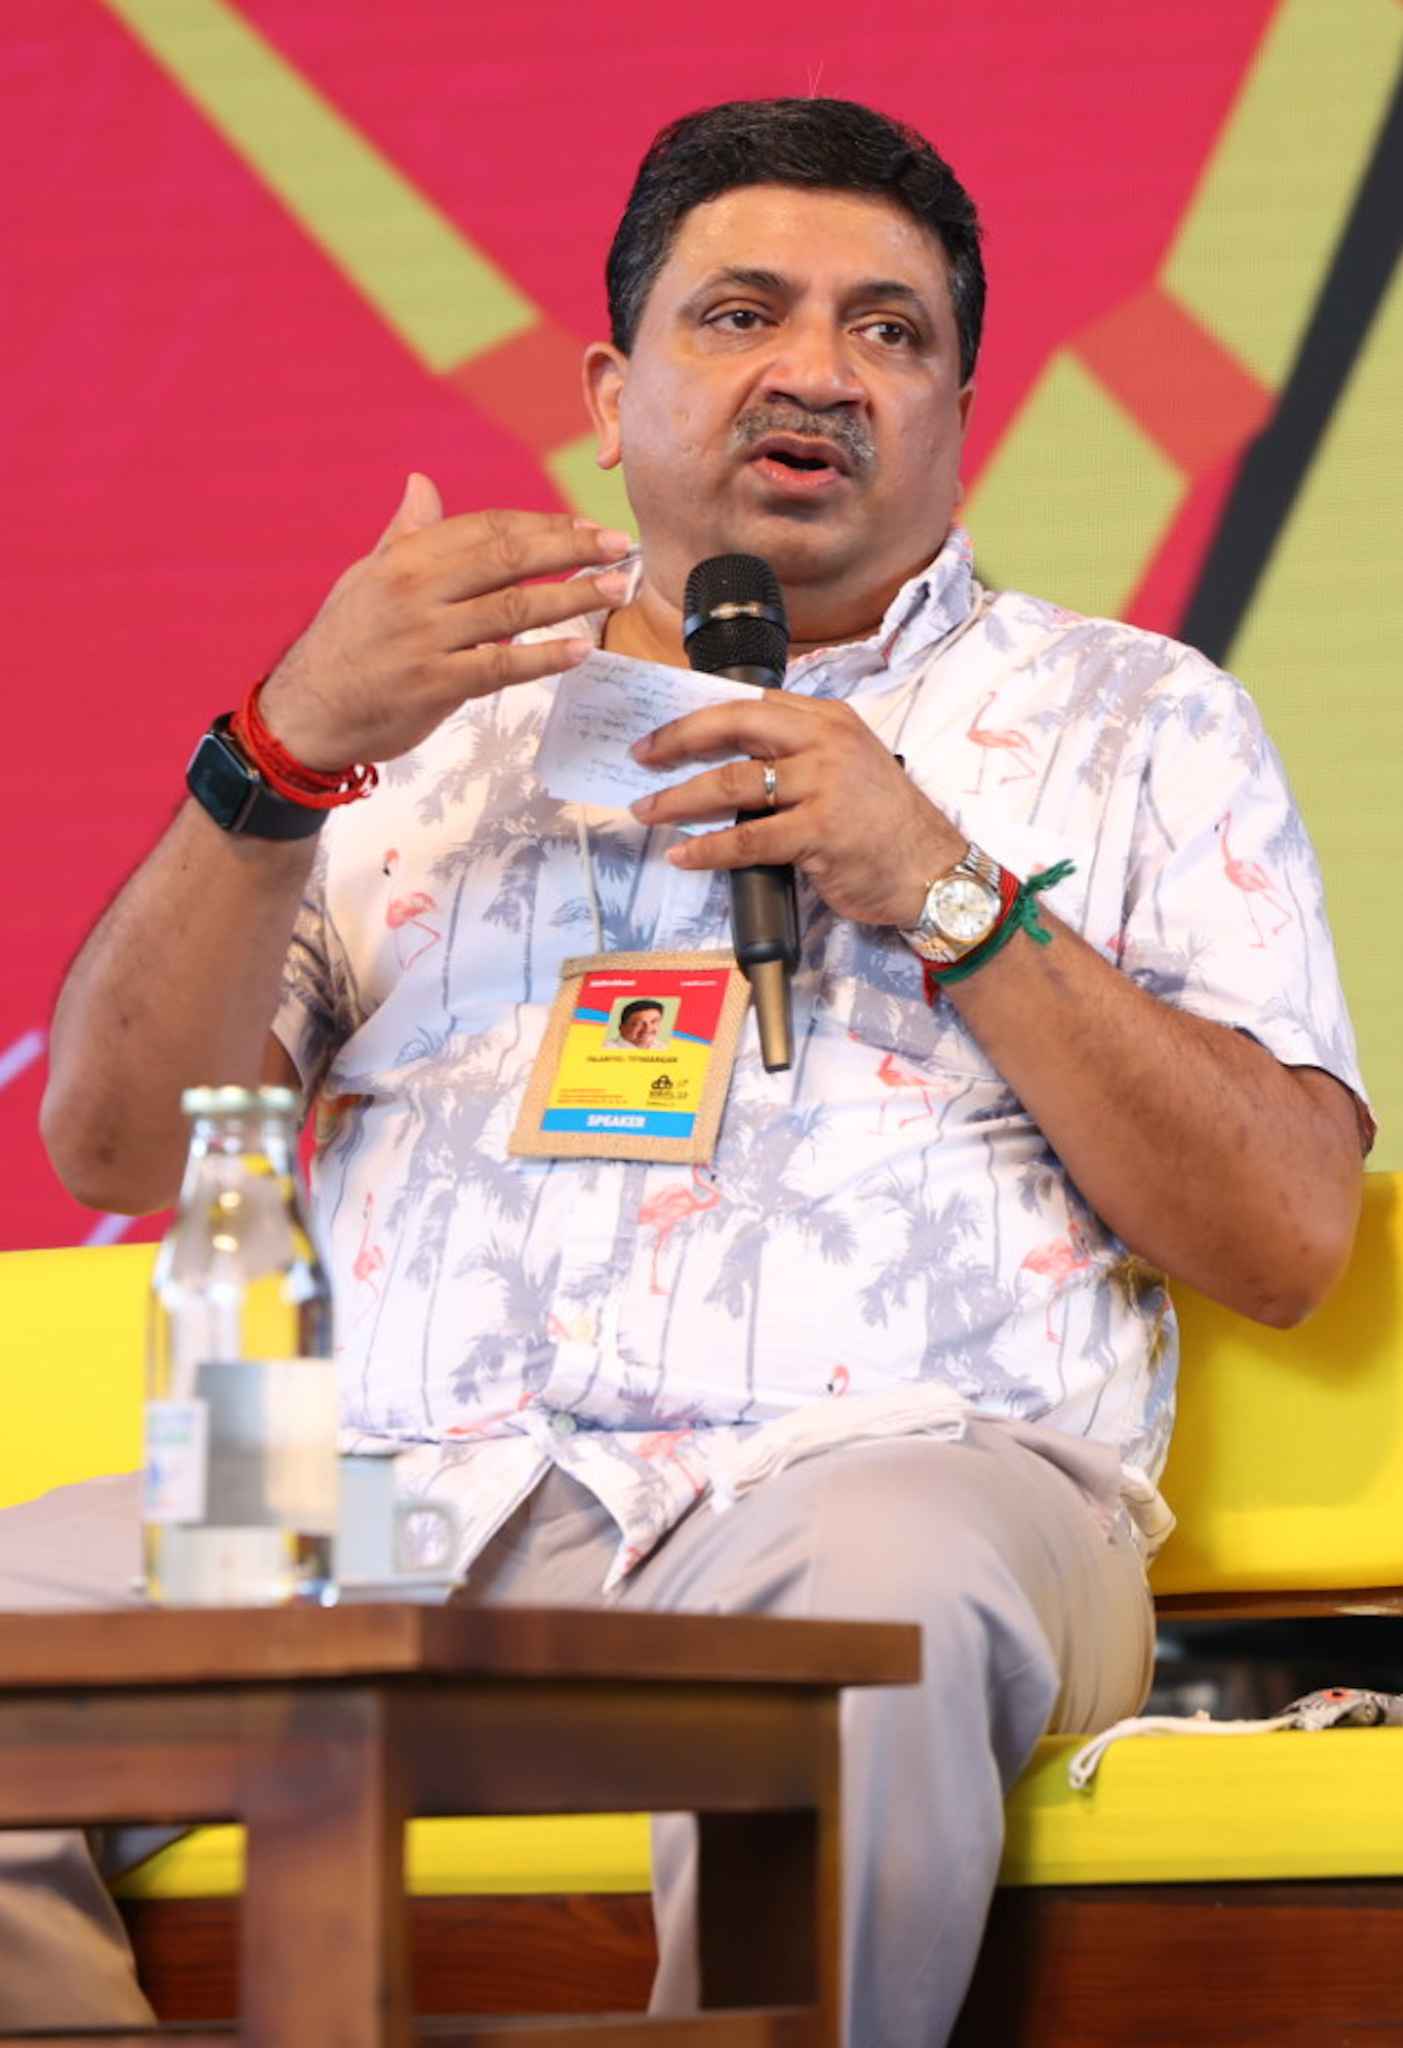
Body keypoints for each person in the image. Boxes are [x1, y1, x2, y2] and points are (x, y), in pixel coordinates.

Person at [16, 97, 1370, 2043]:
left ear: (960, 409)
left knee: (871, 1601)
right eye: (743, 313)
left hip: (880, 1478)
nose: (816, 369)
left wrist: (945, 887)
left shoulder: (1138, 719)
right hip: (387, 1511)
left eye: (889, 330)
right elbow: (118, 1144)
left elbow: (1288, 1236)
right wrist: (284, 746)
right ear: (609, 389)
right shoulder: (426, 731)